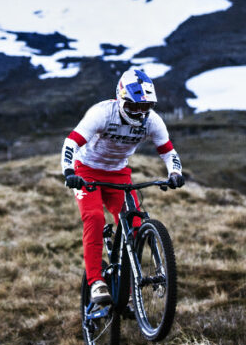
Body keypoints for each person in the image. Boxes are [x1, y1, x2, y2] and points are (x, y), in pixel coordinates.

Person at [61, 68, 184, 305]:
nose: (139, 113)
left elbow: (168, 152)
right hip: (86, 171)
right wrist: (69, 171)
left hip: (119, 174)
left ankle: (127, 289)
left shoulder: (153, 122)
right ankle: (96, 281)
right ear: (120, 100)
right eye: (133, 107)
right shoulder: (101, 114)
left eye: (145, 108)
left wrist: (175, 172)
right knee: (95, 218)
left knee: (135, 227)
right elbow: (71, 142)